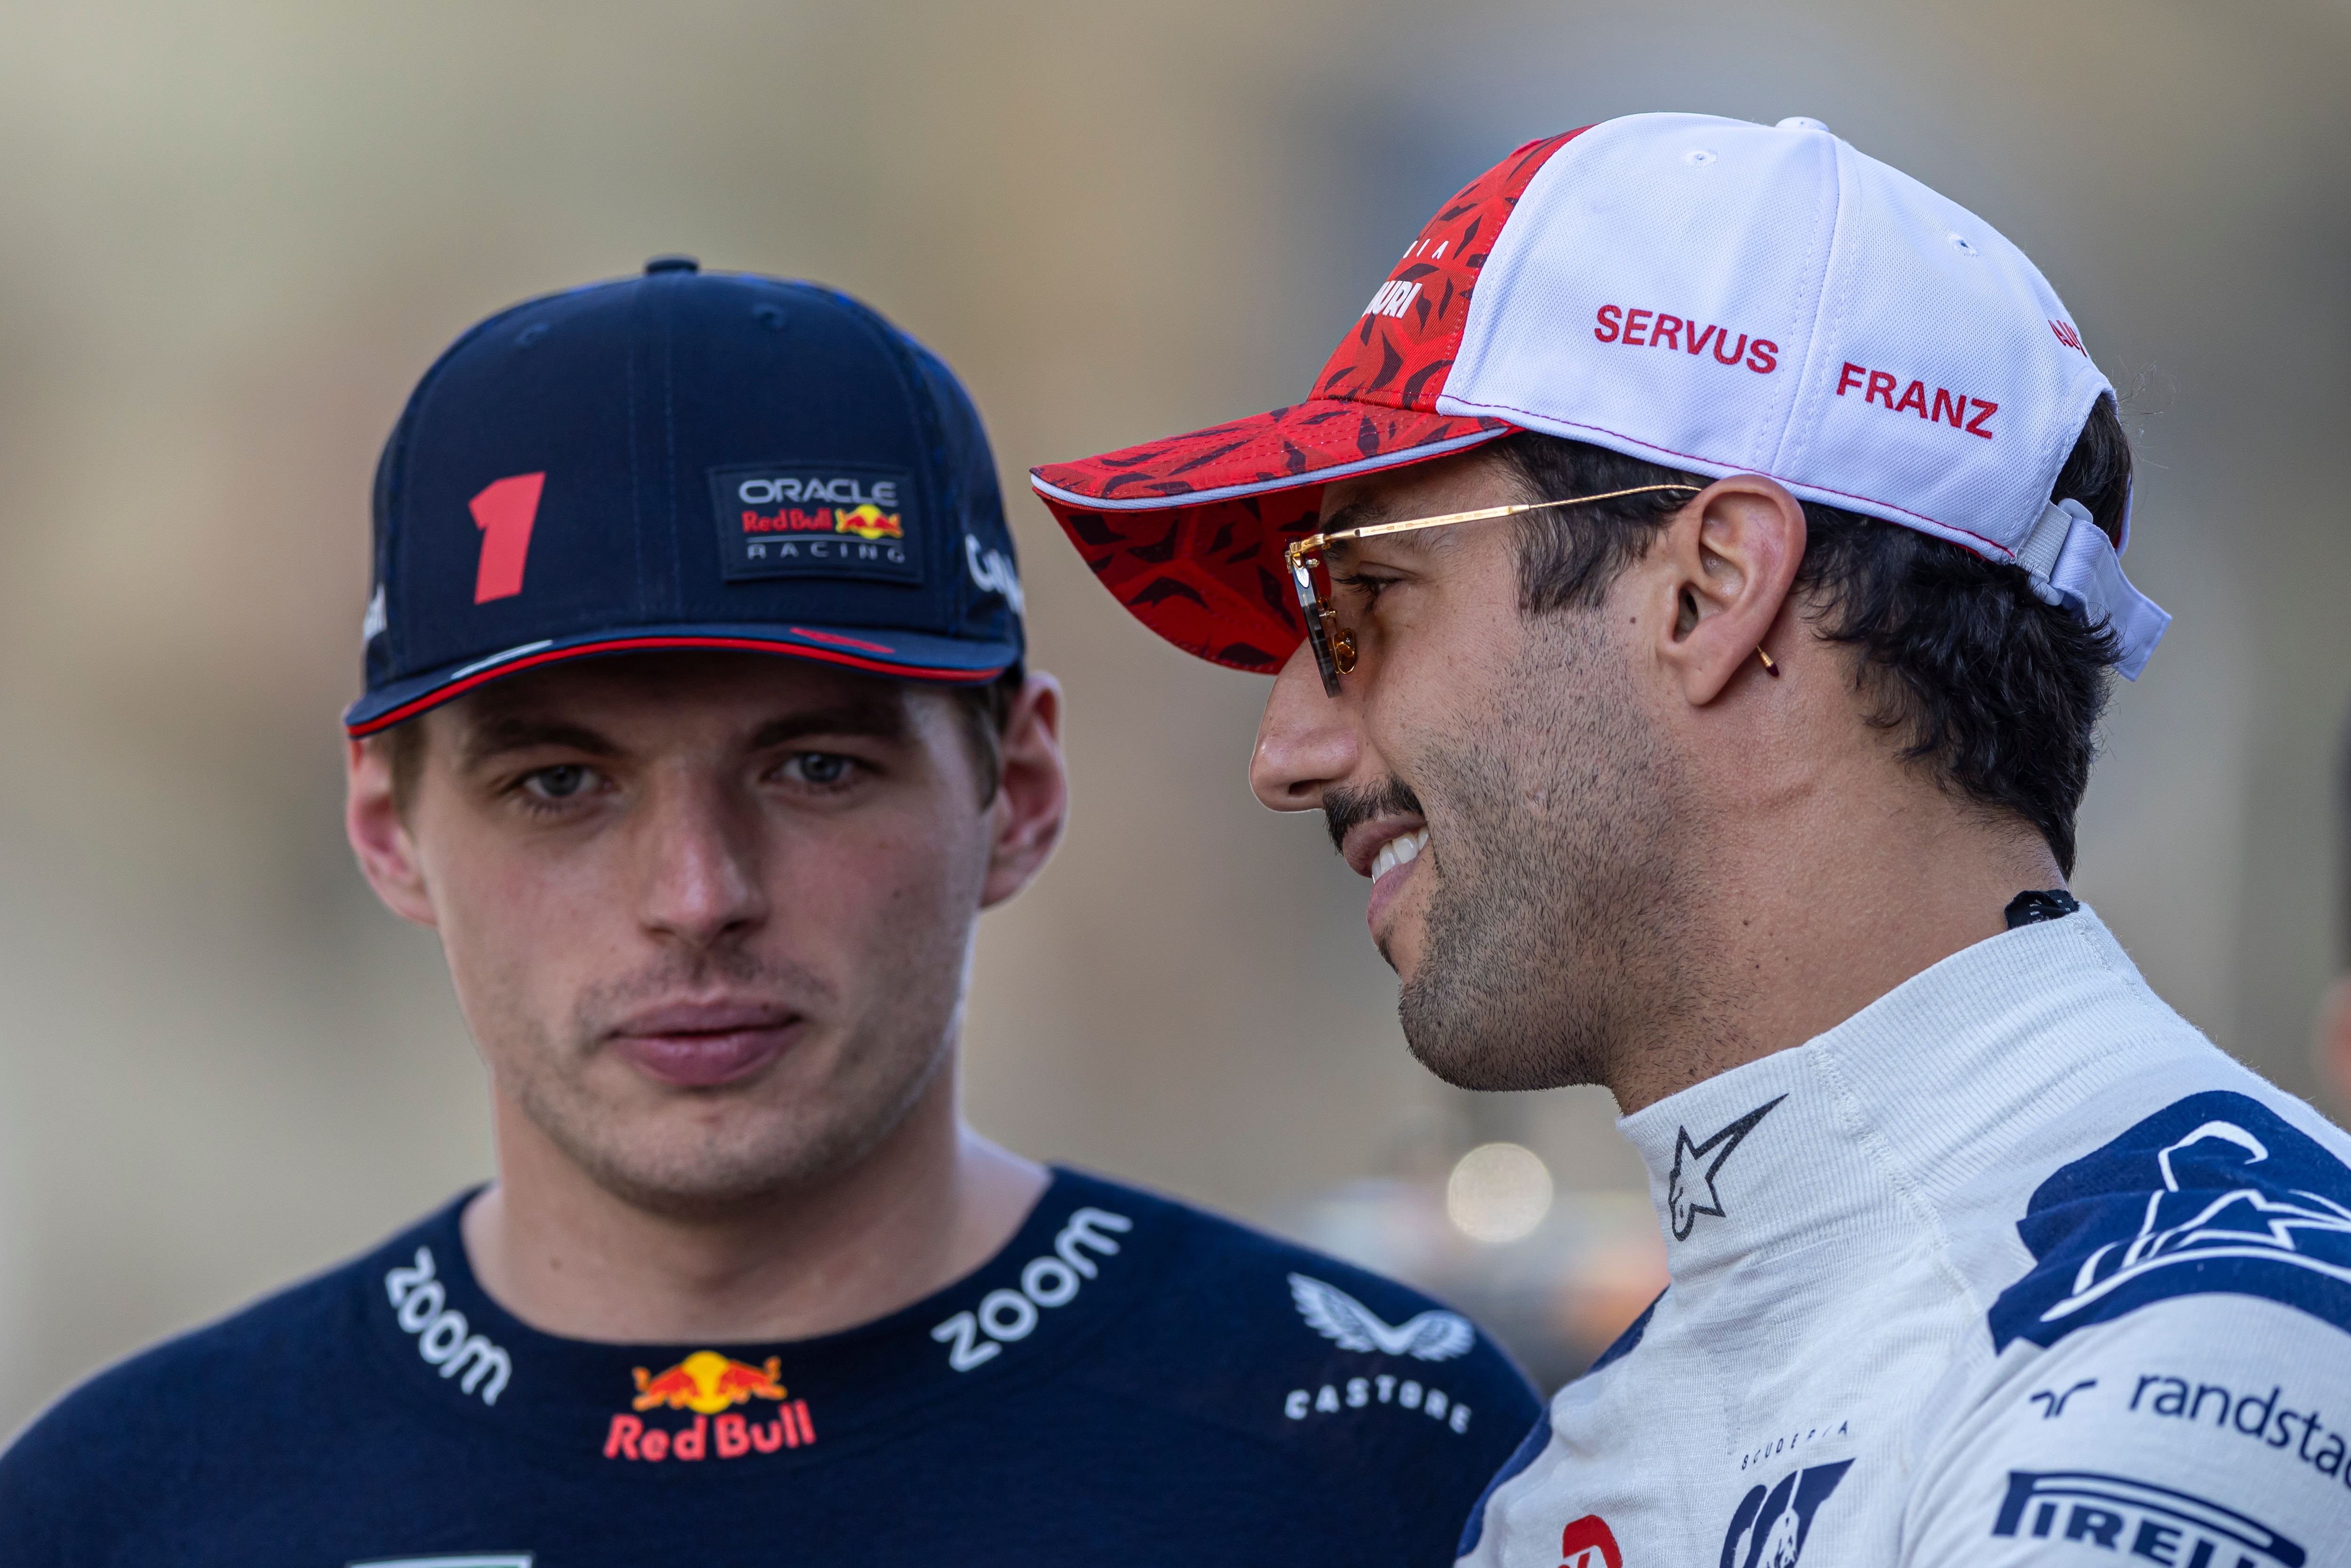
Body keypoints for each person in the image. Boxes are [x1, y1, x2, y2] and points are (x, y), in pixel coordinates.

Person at [0, 258, 1537, 1563]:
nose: (697, 898)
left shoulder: (1381, 1463)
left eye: (813, 767)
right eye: (559, 786)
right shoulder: (128, 1510)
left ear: (1019, 789)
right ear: (386, 831)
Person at [1032, 115, 2351, 1566]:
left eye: (1360, 603)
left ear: (1712, 588)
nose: (1290, 756)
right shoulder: (1646, 1407)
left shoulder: (2200, 1349)